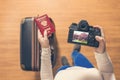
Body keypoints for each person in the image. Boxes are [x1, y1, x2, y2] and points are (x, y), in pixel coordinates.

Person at [38, 26, 116, 80]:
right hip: (87, 69)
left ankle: (66, 64)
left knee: (66, 66)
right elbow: (108, 73)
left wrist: (45, 48)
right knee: (78, 56)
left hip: (63, 72)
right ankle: (75, 52)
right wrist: (101, 53)